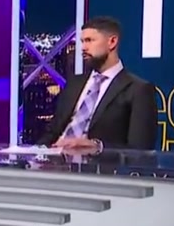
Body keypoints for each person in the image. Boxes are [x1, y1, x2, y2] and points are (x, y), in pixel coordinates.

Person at [39, 16, 158, 151]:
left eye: (89, 40)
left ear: (112, 42)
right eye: (82, 42)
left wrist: (97, 147)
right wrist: (34, 153)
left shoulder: (138, 89)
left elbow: (140, 149)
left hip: (97, 163)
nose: (83, 48)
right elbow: (52, 132)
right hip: (56, 159)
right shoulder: (74, 83)